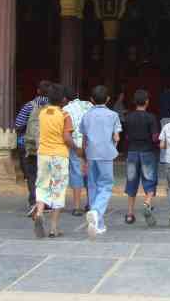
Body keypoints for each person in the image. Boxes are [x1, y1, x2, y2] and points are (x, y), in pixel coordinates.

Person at [31, 83, 75, 238]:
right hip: (59, 155)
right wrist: (77, 149)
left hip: (43, 154)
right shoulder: (64, 115)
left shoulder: (42, 113)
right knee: (58, 189)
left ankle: (40, 212)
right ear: (63, 99)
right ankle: (53, 228)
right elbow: (67, 138)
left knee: (42, 185)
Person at [79, 84, 122, 238]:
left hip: (91, 153)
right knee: (106, 185)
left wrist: (83, 157)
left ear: (91, 99)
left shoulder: (86, 115)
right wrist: (114, 146)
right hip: (106, 154)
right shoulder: (113, 115)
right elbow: (116, 137)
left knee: (92, 186)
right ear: (108, 99)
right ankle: (96, 212)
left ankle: (99, 224)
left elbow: (84, 138)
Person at [123, 89, 160, 226]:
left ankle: (129, 214)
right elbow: (155, 137)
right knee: (150, 180)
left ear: (135, 102)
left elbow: (126, 136)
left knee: (131, 181)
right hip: (147, 152)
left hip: (132, 152)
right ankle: (147, 202)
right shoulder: (151, 117)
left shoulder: (128, 117)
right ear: (147, 102)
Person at [15, 80, 50, 215]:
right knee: (47, 174)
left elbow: (18, 124)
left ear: (38, 91)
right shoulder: (54, 108)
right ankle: (45, 203)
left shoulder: (29, 106)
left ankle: (34, 201)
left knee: (32, 174)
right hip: (48, 145)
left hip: (28, 145)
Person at [62, 86, 92, 216]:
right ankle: (90, 203)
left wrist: (75, 147)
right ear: (77, 94)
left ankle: (77, 206)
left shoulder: (65, 110)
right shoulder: (89, 105)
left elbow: (66, 133)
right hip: (90, 144)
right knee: (90, 174)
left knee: (76, 173)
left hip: (76, 145)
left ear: (64, 98)